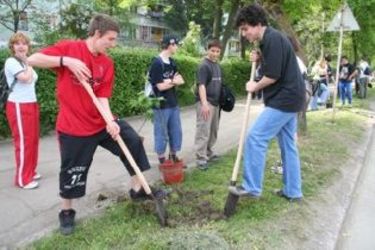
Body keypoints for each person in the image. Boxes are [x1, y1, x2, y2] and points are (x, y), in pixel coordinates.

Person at [28, 14, 160, 235]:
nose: (113, 44)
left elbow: (102, 97)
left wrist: (110, 121)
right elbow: (32, 59)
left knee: (132, 140)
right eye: (110, 38)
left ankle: (138, 189)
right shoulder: (70, 49)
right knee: (73, 170)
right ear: (97, 34)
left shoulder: (106, 62)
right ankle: (67, 212)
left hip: (100, 122)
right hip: (74, 127)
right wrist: (65, 61)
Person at [229, 4, 305, 202]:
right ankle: (293, 191)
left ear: (258, 24)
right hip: (291, 98)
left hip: (284, 99)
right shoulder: (269, 41)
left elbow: (272, 75)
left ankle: (252, 188)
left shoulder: (272, 39)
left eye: (246, 28)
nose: (244, 33)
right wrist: (260, 57)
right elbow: (273, 64)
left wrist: (254, 86)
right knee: (288, 145)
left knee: (255, 138)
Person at [4, 32, 41, 190]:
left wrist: (28, 63)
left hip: (31, 103)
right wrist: (29, 63)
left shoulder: (25, 63)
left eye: (24, 43)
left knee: (32, 140)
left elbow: (31, 78)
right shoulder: (11, 62)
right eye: (17, 43)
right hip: (18, 105)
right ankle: (22, 179)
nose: (21, 46)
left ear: (28, 46)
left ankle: (30, 171)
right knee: (24, 142)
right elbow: (26, 78)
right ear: (12, 47)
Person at [149, 35, 185, 165]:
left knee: (176, 131)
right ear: (170, 45)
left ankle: (173, 156)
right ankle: (162, 160)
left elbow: (181, 80)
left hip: (173, 103)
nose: (177, 47)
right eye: (176, 45)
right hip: (160, 105)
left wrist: (170, 82)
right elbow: (160, 86)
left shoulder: (172, 62)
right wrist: (173, 82)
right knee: (161, 133)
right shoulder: (157, 63)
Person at [194, 40, 223, 170]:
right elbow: (201, 85)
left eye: (217, 51)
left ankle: (208, 152)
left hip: (216, 103)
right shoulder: (203, 66)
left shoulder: (216, 65)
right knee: (203, 130)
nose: (215, 53)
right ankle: (201, 158)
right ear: (207, 50)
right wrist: (204, 104)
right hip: (206, 103)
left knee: (213, 130)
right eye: (213, 50)